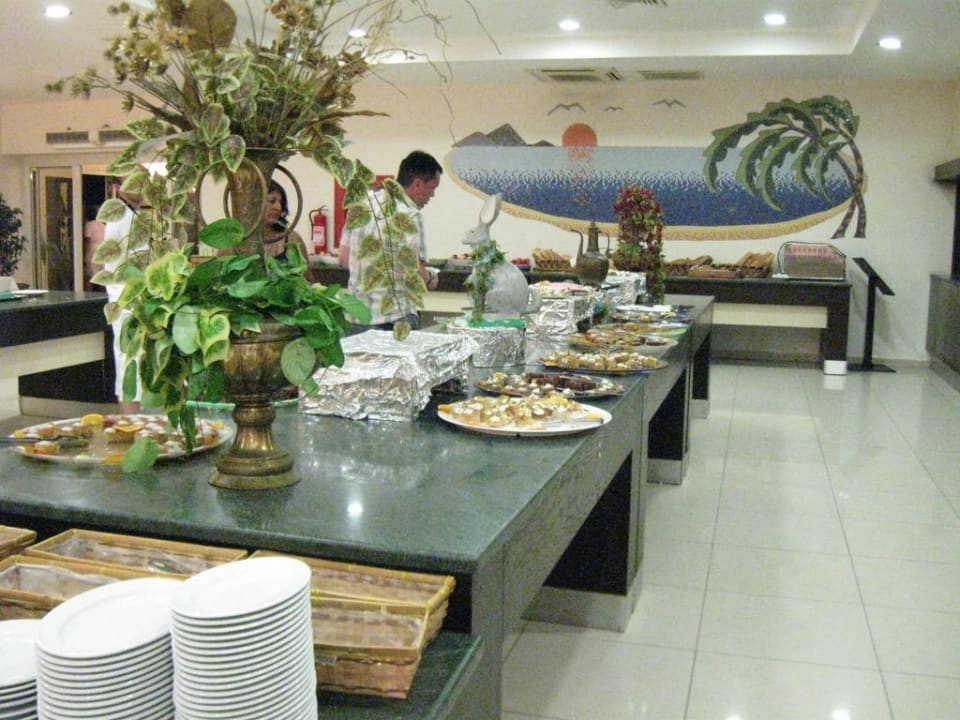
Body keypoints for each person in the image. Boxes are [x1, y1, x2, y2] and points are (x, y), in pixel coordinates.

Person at [338, 150, 442, 332]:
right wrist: (430, 278)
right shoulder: (410, 215)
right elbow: (414, 273)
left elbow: (344, 258)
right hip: (393, 319)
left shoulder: (361, 205)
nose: (432, 195)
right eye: (432, 188)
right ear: (417, 184)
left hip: (357, 318)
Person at [262, 180, 313, 280]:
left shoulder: (292, 238)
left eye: (281, 203)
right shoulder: (239, 239)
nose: (278, 207)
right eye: (272, 201)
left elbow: (307, 279)